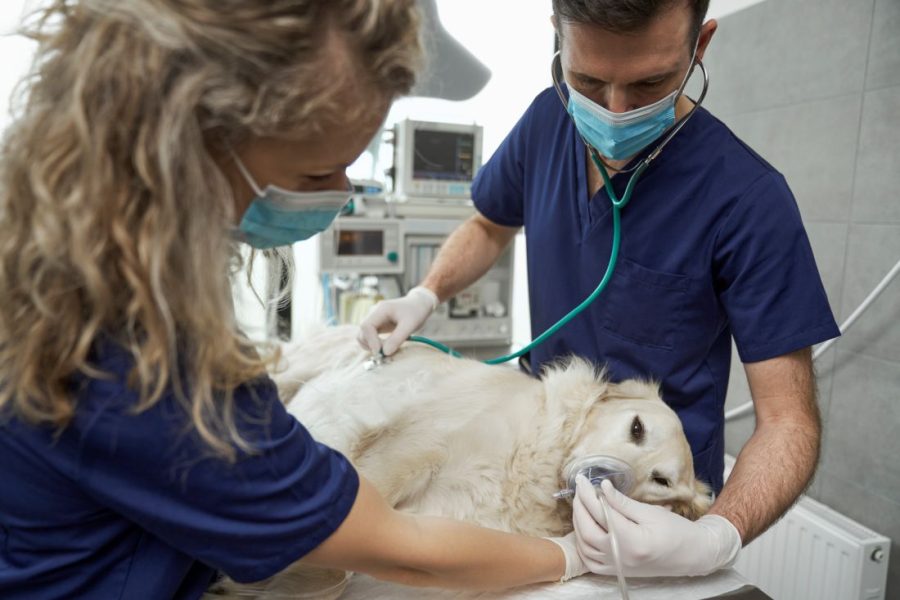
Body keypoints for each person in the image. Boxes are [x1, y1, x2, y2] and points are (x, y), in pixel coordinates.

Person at [0, 1, 595, 598]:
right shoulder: (144, 366)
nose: (342, 193)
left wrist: (422, 296)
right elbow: (399, 550)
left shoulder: (49, 259)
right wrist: (570, 555)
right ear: (188, 150)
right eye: (316, 175)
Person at [358, 0, 841, 579]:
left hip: (650, 516)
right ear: (557, 37)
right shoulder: (548, 120)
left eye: (648, 84)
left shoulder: (748, 199)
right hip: (532, 471)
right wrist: (425, 294)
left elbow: (789, 422)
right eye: (588, 81)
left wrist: (714, 537)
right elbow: (489, 225)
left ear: (700, 46)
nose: (613, 112)